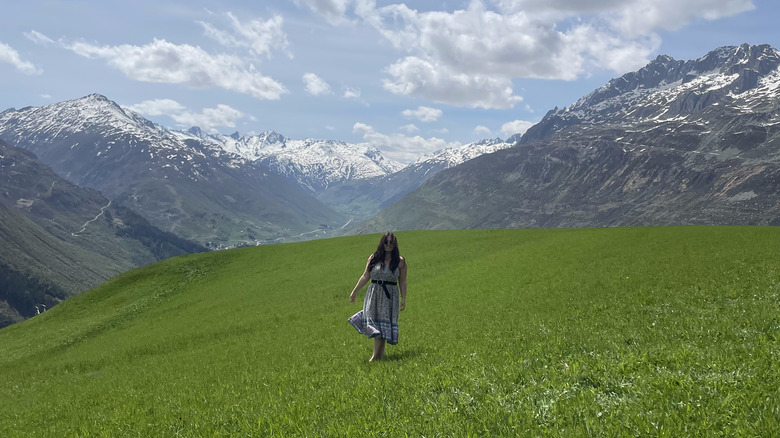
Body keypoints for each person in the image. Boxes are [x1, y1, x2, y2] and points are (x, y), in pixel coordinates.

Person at [348, 232, 407, 362]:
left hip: (390, 296)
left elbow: (402, 281)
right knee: (376, 324)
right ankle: (379, 355)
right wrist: (354, 292)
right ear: (382, 243)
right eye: (386, 242)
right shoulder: (374, 258)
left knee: (382, 325)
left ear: (395, 244)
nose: (389, 245)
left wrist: (403, 299)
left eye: (391, 242)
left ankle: (376, 356)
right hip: (373, 294)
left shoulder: (400, 261)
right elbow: (365, 276)